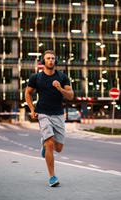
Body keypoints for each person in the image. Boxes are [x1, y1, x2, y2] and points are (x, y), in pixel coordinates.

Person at [25, 50, 74, 187]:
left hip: (58, 114)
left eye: (53, 58)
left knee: (58, 148)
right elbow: (27, 93)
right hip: (43, 113)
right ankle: (52, 177)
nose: (51, 60)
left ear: (55, 61)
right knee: (50, 143)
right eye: (48, 58)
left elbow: (70, 95)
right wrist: (32, 109)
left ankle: (44, 146)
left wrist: (60, 89)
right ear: (43, 61)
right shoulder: (36, 78)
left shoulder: (62, 77)